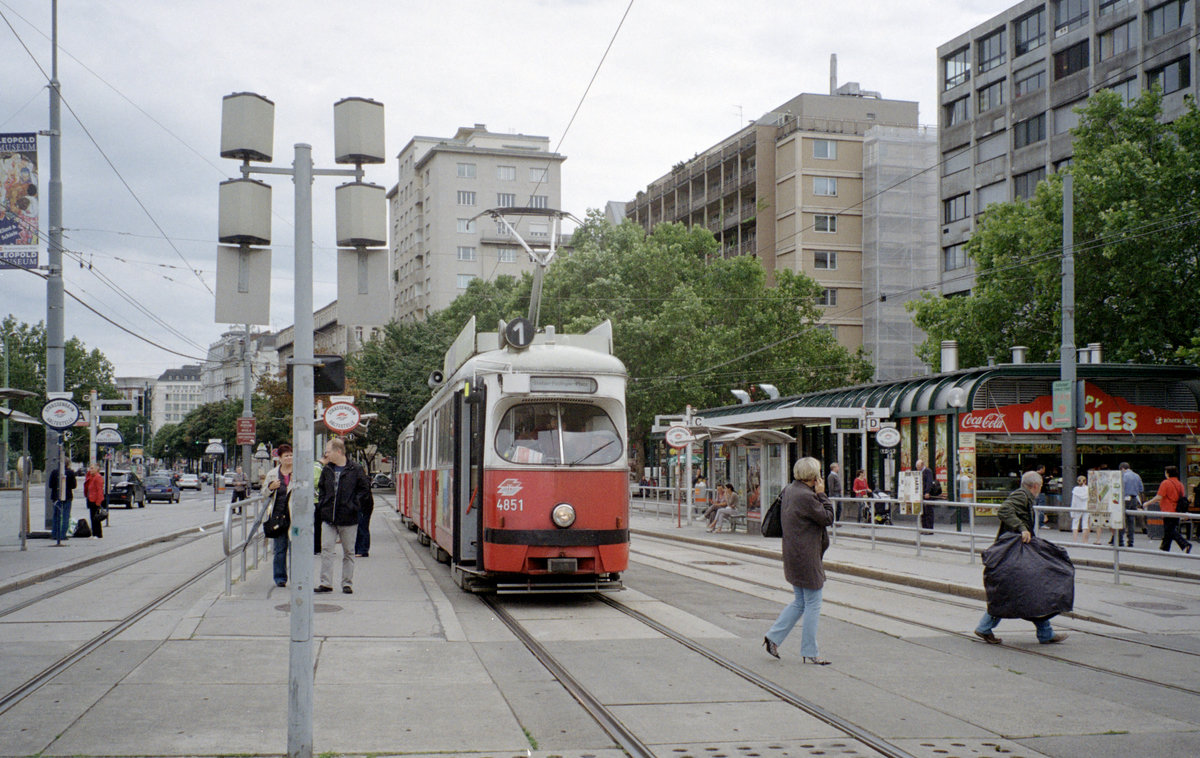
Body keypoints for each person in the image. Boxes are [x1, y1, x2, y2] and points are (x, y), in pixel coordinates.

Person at [974, 471, 1068, 645]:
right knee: (1019, 591)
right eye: (1040, 486)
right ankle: (985, 627)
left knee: (1028, 591)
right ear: (1035, 486)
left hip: (1016, 551)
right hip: (1012, 552)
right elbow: (1004, 510)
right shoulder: (1021, 495)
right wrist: (1022, 528)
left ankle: (1045, 633)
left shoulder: (1025, 497)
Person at [763, 457, 835, 664]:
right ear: (814, 476)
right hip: (806, 556)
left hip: (793, 554)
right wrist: (821, 494)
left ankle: (773, 637)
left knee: (800, 602)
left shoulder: (789, 490)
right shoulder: (807, 496)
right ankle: (810, 651)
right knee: (813, 603)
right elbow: (828, 518)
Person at [315, 437, 371, 593]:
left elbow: (364, 490)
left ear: (338, 451)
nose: (325, 455)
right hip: (328, 517)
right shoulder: (327, 470)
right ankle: (326, 582)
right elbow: (322, 488)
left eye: (327, 451)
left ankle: (347, 583)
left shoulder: (356, 469)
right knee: (326, 550)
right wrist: (323, 504)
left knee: (348, 551)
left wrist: (354, 505)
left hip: (348, 518)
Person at [263, 444, 294, 587]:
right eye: (286, 456)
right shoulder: (272, 474)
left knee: (295, 549)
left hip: (294, 517)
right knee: (279, 550)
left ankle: (296, 576)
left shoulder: (299, 472)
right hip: (278, 516)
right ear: (280, 458)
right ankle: (280, 578)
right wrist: (270, 487)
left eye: (291, 455)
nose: (289, 458)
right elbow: (263, 493)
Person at [1142, 465, 1192, 553]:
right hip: (1177, 509)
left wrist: (1148, 503)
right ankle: (1164, 548)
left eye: (1165, 472)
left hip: (1168, 509)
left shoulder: (1165, 483)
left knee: (1170, 530)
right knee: (1169, 529)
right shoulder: (1180, 484)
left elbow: (1159, 496)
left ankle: (1185, 544)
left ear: (1168, 473)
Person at [48, 461, 78, 543]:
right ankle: (63, 535)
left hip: (56, 497)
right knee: (65, 515)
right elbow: (74, 486)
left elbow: (50, 485)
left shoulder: (54, 472)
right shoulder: (71, 473)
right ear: (68, 464)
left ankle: (54, 534)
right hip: (67, 496)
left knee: (56, 515)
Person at [1116, 462, 1141, 548]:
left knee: (1122, 520)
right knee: (1131, 521)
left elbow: (1119, 487)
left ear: (1122, 468)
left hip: (1124, 499)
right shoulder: (1137, 476)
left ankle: (1120, 541)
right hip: (1134, 498)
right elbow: (1141, 489)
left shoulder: (1124, 476)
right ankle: (1131, 541)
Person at [84, 464, 105, 539]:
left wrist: (98, 501)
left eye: (92, 468)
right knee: (92, 517)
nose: (90, 470)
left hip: (95, 500)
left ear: (96, 469)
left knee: (96, 518)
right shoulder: (91, 477)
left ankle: (98, 534)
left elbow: (100, 490)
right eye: (90, 468)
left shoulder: (98, 477)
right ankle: (93, 533)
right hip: (90, 499)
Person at [916, 459, 936, 532]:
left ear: (922, 465)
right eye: (916, 466)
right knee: (922, 512)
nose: (917, 468)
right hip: (921, 494)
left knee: (928, 512)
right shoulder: (919, 472)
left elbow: (929, 482)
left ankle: (929, 529)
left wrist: (927, 492)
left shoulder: (927, 471)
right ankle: (924, 528)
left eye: (918, 466)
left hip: (926, 494)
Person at [1069, 475, 1090, 544]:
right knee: (1085, 524)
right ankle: (1084, 541)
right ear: (1085, 481)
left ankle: (1074, 540)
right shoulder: (1088, 489)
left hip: (1077, 508)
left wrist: (1072, 512)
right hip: (1086, 508)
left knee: (1075, 523)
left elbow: (1073, 501)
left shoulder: (1075, 490)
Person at [355, 484, 375, 557]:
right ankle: (359, 549)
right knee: (360, 527)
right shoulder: (359, 476)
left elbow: (363, 493)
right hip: (363, 505)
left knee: (362, 527)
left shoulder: (360, 478)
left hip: (363, 506)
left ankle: (362, 550)